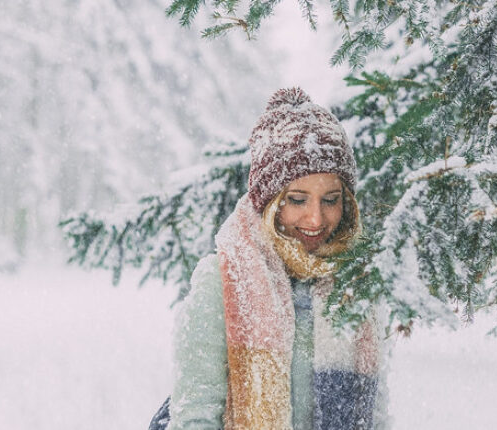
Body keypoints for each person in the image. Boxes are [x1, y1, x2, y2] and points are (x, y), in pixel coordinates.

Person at [153, 87, 388, 430]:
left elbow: (375, 416)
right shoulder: (222, 281)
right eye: (297, 199)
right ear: (270, 202)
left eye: (330, 199)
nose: (315, 219)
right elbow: (195, 416)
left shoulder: (357, 282)